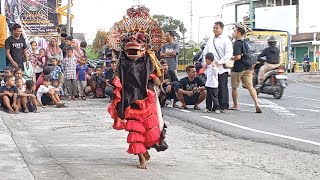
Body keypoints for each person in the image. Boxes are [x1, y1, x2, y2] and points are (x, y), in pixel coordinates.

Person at [230, 25, 262, 113]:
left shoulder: (237, 43)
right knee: (250, 86)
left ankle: (235, 105)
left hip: (238, 68)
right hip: (248, 67)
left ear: (239, 33)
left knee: (234, 87)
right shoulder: (247, 42)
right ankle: (256, 103)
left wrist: (230, 58)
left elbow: (238, 57)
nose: (233, 33)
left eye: (234, 31)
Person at [203, 21, 233, 113]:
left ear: (222, 29)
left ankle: (224, 106)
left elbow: (228, 54)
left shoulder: (226, 40)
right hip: (211, 69)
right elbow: (205, 53)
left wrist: (219, 62)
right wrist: (205, 64)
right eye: (214, 28)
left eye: (217, 28)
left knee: (222, 87)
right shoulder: (210, 40)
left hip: (221, 68)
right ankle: (212, 106)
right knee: (211, 88)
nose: (215, 29)